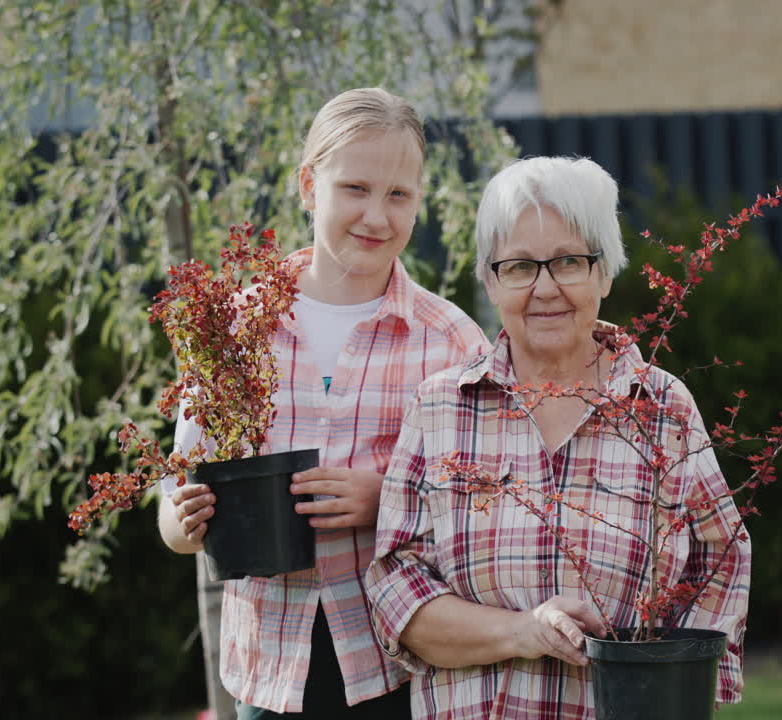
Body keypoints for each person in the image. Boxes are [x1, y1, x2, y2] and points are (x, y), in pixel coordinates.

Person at [365, 156, 751, 718]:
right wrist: (527, 632)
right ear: (491, 281)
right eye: (519, 266)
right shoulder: (441, 408)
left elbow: (721, 564)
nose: (545, 288)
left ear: (606, 271)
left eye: (569, 261)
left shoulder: (664, 410)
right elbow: (397, 595)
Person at [157, 87, 490, 718]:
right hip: (268, 669)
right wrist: (185, 522)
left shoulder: (449, 341)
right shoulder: (235, 330)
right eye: (355, 189)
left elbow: (482, 506)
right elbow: (179, 504)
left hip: (401, 662)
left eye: (399, 195)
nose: (377, 216)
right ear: (310, 185)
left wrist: (383, 499)